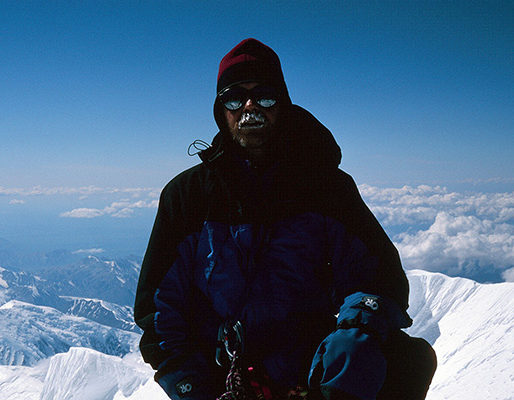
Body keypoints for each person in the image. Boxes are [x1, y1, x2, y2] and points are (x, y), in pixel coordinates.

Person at [134, 38, 436, 400]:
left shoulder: (325, 187)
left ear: (283, 105)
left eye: (263, 96)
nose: (249, 108)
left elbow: (375, 278)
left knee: (407, 359)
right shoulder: (188, 196)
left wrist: (348, 347)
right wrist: (193, 383)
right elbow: (160, 308)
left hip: (313, 369)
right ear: (221, 110)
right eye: (234, 98)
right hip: (222, 375)